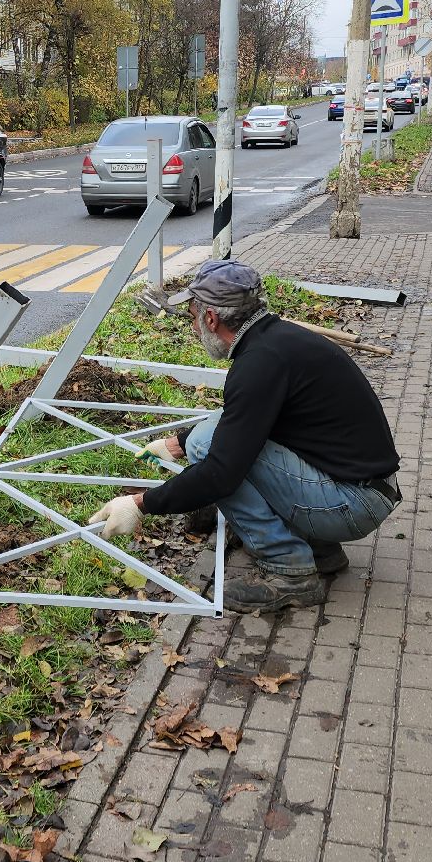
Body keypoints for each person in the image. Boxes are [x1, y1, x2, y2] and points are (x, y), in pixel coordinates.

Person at [88, 260, 402, 615]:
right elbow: (245, 418)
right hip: (363, 489)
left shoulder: (259, 364)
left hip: (351, 505)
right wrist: (176, 445)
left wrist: (140, 504)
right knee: (207, 438)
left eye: (192, 316)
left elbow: (222, 471)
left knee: (212, 451)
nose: (193, 327)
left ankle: (290, 570)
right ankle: (319, 549)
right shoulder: (278, 342)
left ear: (211, 319)